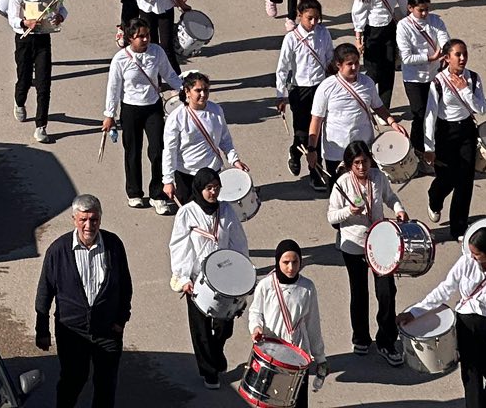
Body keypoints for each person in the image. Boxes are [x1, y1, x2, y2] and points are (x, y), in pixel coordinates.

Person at [403, 229, 486, 407]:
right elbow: (444, 290)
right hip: (466, 327)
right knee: (473, 385)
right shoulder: (466, 261)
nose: (472, 256)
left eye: (476, 254)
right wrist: (415, 312)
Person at [36, 194, 133, 408]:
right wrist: (42, 330)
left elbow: (125, 286)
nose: (89, 226)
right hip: (72, 332)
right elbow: (45, 291)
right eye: (83, 220)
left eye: (94, 219)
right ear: (74, 220)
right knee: (73, 380)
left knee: (106, 385)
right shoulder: (58, 251)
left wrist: (120, 321)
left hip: (108, 331)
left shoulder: (114, 245)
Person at [326, 139, 407, 363]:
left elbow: (390, 197)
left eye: (365, 162)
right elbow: (331, 216)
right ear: (350, 165)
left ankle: (387, 341)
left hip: (381, 242)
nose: (362, 167)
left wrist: (399, 209)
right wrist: (348, 212)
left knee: (386, 291)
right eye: (357, 163)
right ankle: (360, 337)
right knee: (359, 292)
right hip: (353, 245)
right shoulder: (342, 184)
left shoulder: (378, 177)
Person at [169, 167, 248, 388]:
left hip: (224, 276)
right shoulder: (187, 213)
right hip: (197, 278)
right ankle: (208, 371)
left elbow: (237, 240)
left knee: (225, 323)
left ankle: (217, 350)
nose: (213, 192)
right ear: (199, 189)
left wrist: (241, 270)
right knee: (200, 327)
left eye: (216, 188)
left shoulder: (226, 210)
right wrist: (184, 276)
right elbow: (179, 246)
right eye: (208, 188)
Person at [104, 18, 183, 213]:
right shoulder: (120, 59)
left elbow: (169, 75)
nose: (145, 39)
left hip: (153, 107)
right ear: (130, 38)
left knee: (158, 150)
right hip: (130, 109)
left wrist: (185, 91)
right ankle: (134, 193)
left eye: (147, 35)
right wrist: (109, 115)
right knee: (132, 151)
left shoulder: (157, 52)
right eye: (140, 36)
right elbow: (113, 89)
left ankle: (158, 194)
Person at [308, 43, 401, 192]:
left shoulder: (367, 83)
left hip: (363, 148)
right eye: (349, 64)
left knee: (368, 191)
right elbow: (316, 120)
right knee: (341, 195)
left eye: (357, 63)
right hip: (337, 151)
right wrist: (312, 149)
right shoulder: (326, 87)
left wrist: (392, 122)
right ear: (338, 65)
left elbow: (378, 106)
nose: (354, 67)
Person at [422, 39, 486, 244]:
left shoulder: (473, 79)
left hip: (467, 130)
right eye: (457, 54)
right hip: (445, 132)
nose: (462, 58)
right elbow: (430, 115)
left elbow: (481, 109)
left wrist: (465, 89)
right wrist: (428, 146)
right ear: (447, 58)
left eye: (464, 54)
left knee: (465, 181)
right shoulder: (438, 82)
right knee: (447, 177)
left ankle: (458, 227)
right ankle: (435, 198)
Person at [246, 241, 327, 403]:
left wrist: (320, 358)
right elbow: (255, 312)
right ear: (277, 262)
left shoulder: (307, 287)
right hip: (272, 353)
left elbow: (313, 324)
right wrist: (256, 328)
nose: (291, 267)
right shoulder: (265, 285)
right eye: (285, 262)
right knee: (270, 400)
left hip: (297, 353)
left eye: (295, 262)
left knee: (297, 400)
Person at [2, 0, 65, 142]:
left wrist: (59, 17)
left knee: (44, 84)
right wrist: (24, 22)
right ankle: (19, 102)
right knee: (24, 78)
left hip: (43, 40)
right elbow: (12, 19)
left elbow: (60, 8)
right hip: (24, 40)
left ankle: (41, 126)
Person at [162, 71, 241, 211]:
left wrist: (234, 160)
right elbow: (170, 150)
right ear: (187, 91)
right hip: (187, 175)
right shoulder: (176, 117)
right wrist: (168, 180)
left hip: (212, 172)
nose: (203, 94)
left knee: (213, 215)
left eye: (206, 90)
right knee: (192, 219)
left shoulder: (216, 110)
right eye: (198, 90)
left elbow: (225, 139)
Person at [274, 0, 333, 179]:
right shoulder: (291, 39)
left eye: (317, 18)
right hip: (299, 90)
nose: (314, 22)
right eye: (310, 18)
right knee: (301, 132)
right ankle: (295, 151)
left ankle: (315, 171)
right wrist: (280, 95)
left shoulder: (324, 33)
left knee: (318, 131)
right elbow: (282, 68)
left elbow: (330, 57)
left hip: (320, 88)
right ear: (300, 15)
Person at [350, 0, 410, 107]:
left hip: (389, 29)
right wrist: (358, 38)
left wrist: (408, 22)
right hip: (372, 32)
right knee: (373, 71)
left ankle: (384, 106)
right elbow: (359, 12)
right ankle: (365, 100)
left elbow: (404, 4)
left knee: (388, 70)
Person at [395, 0, 450, 145]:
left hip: (434, 75)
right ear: (410, 8)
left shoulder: (436, 21)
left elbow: (445, 39)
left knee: (438, 113)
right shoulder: (403, 26)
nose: (425, 13)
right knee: (419, 116)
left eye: (427, 9)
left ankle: (435, 146)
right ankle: (417, 149)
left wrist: (446, 52)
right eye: (421, 10)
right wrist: (430, 58)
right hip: (414, 79)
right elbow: (406, 57)